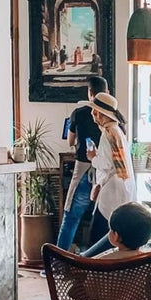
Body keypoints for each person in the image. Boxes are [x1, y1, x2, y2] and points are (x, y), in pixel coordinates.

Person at [56, 75, 108, 251]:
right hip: (106, 173)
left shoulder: (79, 113)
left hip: (84, 168)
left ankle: (59, 261)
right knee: (103, 217)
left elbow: (70, 141)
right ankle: (100, 259)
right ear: (107, 92)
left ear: (90, 93)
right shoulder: (113, 118)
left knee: (71, 216)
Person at [81, 92, 136, 257]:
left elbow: (105, 164)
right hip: (121, 188)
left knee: (100, 236)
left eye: (94, 110)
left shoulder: (107, 133)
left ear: (100, 113)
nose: (92, 114)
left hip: (111, 191)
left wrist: (92, 158)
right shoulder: (116, 131)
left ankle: (90, 269)